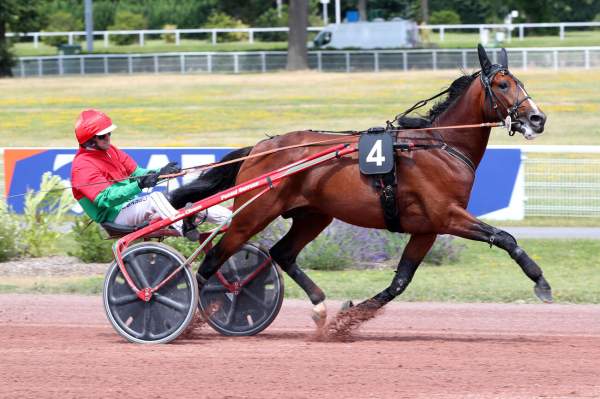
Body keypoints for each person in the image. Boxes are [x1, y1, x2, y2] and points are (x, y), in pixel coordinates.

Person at [70, 109, 231, 240]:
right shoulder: (82, 166)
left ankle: (233, 219)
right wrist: (140, 184)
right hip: (115, 217)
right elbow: (106, 199)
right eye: (102, 136)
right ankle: (184, 226)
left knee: (181, 198)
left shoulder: (111, 151)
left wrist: (161, 173)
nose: (108, 138)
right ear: (90, 140)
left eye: (109, 134)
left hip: (132, 207)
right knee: (155, 198)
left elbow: (138, 173)